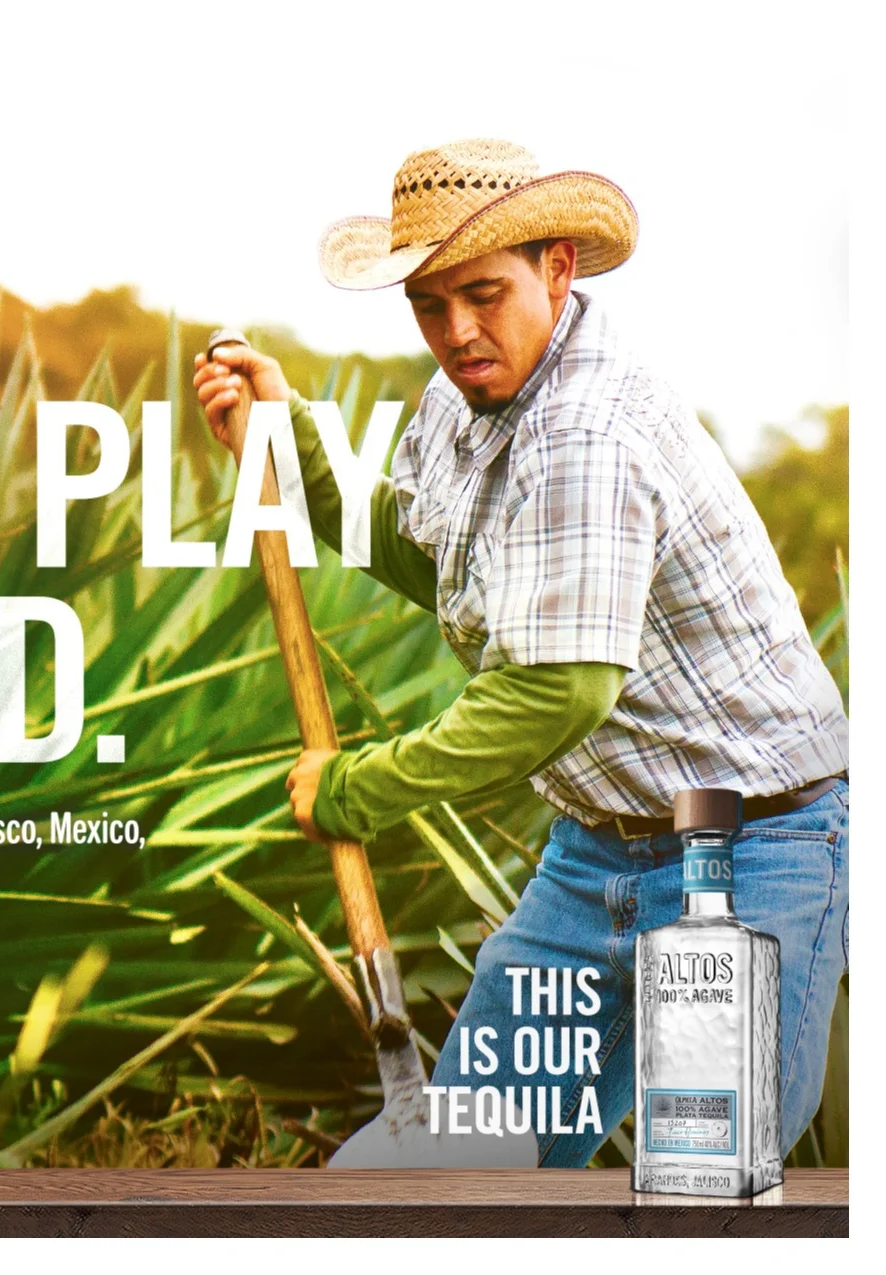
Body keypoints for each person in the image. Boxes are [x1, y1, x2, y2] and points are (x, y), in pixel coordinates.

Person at [192, 139, 848, 1166]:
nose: (457, 333)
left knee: (711, 1182)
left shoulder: (587, 426)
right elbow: (431, 563)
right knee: (458, 1170)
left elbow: (553, 696)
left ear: (558, 269)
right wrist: (288, 448)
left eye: (484, 295)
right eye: (429, 304)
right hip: (597, 852)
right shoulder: (461, 403)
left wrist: (357, 788)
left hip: (751, 850)